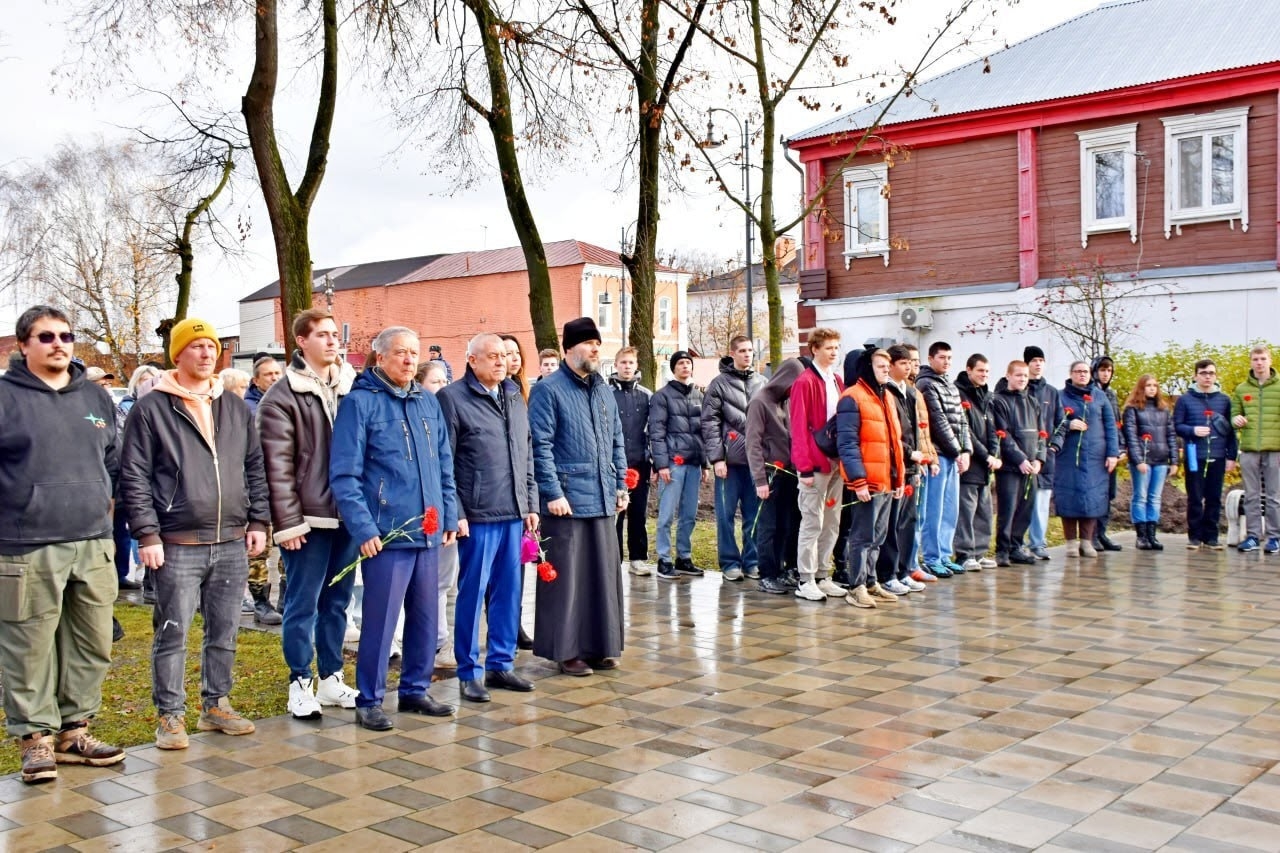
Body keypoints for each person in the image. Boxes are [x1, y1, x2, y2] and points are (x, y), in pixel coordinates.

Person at [120, 317, 269, 749]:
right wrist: (147, 534)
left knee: (224, 630)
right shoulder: (153, 408)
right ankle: (170, 715)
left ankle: (216, 704)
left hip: (231, 540)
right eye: (197, 346)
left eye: (212, 347)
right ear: (178, 353)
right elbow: (134, 475)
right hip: (177, 542)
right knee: (173, 631)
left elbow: (254, 467)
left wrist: (258, 521)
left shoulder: (234, 407)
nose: (206, 353)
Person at [0, 305, 125, 783]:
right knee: (29, 647)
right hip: (26, 544)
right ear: (23, 345)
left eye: (66, 336)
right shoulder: (6, 397)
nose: (58, 344)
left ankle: (76, 731)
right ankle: (35, 738)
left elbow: (113, 462)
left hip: (92, 541)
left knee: (92, 642)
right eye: (46, 336)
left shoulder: (94, 396)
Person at [331, 327, 459, 730]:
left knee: (425, 616)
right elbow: (345, 475)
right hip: (387, 533)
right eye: (400, 353)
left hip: (429, 529)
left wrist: (449, 515)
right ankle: (369, 698)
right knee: (381, 620)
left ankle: (415, 689)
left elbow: (444, 464)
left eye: (413, 353)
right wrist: (364, 528)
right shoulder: (360, 403)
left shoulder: (427, 402)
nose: (408, 360)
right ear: (380, 357)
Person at [257, 308, 361, 719]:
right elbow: (277, 467)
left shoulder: (353, 387)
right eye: (322, 334)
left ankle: (332, 677)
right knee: (303, 604)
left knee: (338, 602)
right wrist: (287, 523)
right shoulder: (282, 396)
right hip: (308, 519)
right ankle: (299, 682)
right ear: (301, 341)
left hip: (348, 515)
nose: (332, 341)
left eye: (335, 334)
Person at [438, 333, 538, 703]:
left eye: (504, 356)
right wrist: (456, 511)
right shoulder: (452, 398)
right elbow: (444, 460)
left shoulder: (513, 394)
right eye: (492, 356)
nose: (500, 361)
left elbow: (526, 453)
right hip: (477, 515)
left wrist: (531, 504)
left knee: (509, 593)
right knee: (472, 593)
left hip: (513, 512)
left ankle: (501, 663)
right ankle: (468, 670)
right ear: (472, 360)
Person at [528, 317, 628, 677]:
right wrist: (552, 492)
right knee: (567, 581)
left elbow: (617, 440)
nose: (595, 350)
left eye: (598, 344)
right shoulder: (548, 390)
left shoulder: (603, 390)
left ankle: (600, 646)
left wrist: (621, 485)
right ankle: (566, 650)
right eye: (588, 344)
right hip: (566, 501)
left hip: (602, 496)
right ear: (569, 348)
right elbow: (539, 446)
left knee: (602, 576)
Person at [835, 348, 905, 608]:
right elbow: (848, 444)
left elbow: (894, 442)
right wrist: (859, 480)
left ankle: (871, 581)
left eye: (888, 366)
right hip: (868, 481)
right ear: (867, 368)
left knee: (878, 536)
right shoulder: (852, 398)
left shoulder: (887, 396)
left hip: (887, 480)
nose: (887, 370)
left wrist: (899, 479)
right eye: (880, 366)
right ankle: (856, 586)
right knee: (862, 537)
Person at [788, 328, 848, 601]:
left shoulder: (837, 380)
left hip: (835, 461)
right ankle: (806, 579)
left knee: (832, 521)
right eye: (828, 348)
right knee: (812, 521)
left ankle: (823, 575)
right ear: (815, 349)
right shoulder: (805, 382)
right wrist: (804, 466)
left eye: (836, 347)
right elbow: (798, 427)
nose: (834, 352)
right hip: (814, 463)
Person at [702, 335, 765, 582]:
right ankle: (729, 562)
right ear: (733, 353)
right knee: (725, 516)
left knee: (754, 516)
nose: (747, 354)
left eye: (750, 350)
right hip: (729, 463)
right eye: (742, 350)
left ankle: (752, 561)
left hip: (756, 463)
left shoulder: (762, 383)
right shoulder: (719, 384)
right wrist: (717, 458)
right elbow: (709, 423)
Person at [877, 344, 933, 593]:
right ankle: (888, 573)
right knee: (892, 523)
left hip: (911, 465)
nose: (909, 367)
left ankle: (904, 570)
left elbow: (916, 430)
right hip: (896, 464)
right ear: (891, 366)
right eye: (903, 363)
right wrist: (909, 452)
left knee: (909, 520)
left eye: (910, 362)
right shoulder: (886, 392)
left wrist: (919, 459)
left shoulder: (909, 392)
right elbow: (892, 433)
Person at [415, 359, 460, 665]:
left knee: (447, 581)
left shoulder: (447, 415)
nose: (443, 387)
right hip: (424, 512)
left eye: (445, 381)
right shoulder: (420, 415)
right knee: (431, 582)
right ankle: (429, 639)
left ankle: (444, 639)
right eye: (436, 381)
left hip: (449, 509)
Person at [650, 350, 710, 580]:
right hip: (673, 464)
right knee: (666, 515)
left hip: (694, 464)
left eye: (688, 363)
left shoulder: (698, 395)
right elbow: (656, 432)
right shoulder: (662, 396)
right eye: (681, 363)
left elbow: (703, 432)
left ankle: (683, 557)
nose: (685, 366)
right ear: (674, 368)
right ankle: (664, 559)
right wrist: (661, 465)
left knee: (689, 515)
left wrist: (705, 463)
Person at [746, 359, 804, 594]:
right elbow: (753, 444)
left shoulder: (786, 401)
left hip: (788, 473)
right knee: (768, 527)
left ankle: (781, 570)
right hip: (769, 474)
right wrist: (760, 480)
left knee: (785, 525)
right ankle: (767, 574)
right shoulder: (759, 402)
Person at [1050, 361, 1119, 557]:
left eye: (1085, 372)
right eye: (1078, 371)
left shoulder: (1100, 396)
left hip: (1096, 457)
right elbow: (1051, 422)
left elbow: (1110, 426)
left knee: (1093, 497)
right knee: (1068, 497)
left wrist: (1112, 453)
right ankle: (1071, 542)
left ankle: (1087, 541)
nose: (1082, 375)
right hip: (1068, 456)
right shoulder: (1060, 396)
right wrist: (1069, 424)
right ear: (1071, 374)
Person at [916, 341, 972, 577]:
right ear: (930, 359)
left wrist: (966, 450)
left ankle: (945, 555)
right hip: (939, 455)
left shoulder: (950, 384)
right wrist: (956, 451)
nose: (946, 362)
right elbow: (938, 422)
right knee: (934, 510)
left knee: (950, 510)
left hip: (954, 454)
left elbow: (961, 420)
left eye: (949, 357)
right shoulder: (926, 384)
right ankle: (932, 556)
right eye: (941, 357)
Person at [1176, 359, 1236, 550]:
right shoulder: (1185, 400)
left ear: (1216, 375)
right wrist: (1193, 430)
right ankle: (1194, 536)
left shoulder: (1224, 400)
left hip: (1218, 455)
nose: (1207, 377)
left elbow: (1231, 431)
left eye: (1211, 373)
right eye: (1203, 373)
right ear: (1195, 376)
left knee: (1214, 497)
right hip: (1194, 455)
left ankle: (1211, 537)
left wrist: (1231, 456)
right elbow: (1177, 425)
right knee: (1194, 497)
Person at [991, 361, 1045, 565]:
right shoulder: (999, 401)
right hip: (1010, 467)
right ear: (1008, 376)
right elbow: (1003, 434)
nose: (1022, 379)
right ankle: (1002, 550)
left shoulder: (1033, 402)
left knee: (1026, 508)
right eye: (1018, 375)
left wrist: (1039, 459)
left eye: (1025, 376)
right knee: (1008, 509)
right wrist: (1020, 459)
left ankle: (1016, 546)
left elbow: (1042, 434)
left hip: (1031, 466)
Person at [609, 347, 654, 576]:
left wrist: (652, 458)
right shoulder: (606, 394)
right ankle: (613, 560)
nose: (627, 366)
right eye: (623, 362)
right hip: (613, 465)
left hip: (639, 463)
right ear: (616, 365)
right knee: (615, 514)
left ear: (637, 366)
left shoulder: (646, 395)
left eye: (631, 363)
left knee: (638, 513)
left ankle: (638, 558)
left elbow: (654, 429)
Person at [1231, 346, 1280, 553]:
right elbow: (1234, 414)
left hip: (1275, 449)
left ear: (1270, 360)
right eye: (1255, 359)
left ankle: (1274, 537)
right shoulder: (1242, 389)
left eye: (1263, 359)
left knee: (1274, 496)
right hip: (1250, 449)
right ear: (1251, 362)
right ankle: (1252, 536)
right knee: (1251, 495)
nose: (1259, 363)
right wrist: (1236, 419)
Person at [954, 353, 1000, 571]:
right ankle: (965, 554)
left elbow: (992, 427)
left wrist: (995, 453)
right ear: (969, 369)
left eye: (987, 371)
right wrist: (985, 455)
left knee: (984, 512)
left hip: (985, 466)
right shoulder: (959, 393)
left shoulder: (986, 396)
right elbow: (966, 431)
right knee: (966, 512)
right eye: (980, 370)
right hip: (970, 464)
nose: (984, 375)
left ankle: (979, 553)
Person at [1123, 374, 1178, 551]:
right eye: (1148, 385)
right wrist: (1138, 460)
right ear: (1141, 388)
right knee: (1140, 496)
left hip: (1161, 459)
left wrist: (1174, 461)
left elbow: (1171, 435)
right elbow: (1131, 436)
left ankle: (1152, 535)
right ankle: (1141, 536)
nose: (1152, 388)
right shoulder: (1132, 409)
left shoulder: (1164, 409)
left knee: (1155, 497)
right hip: (1142, 460)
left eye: (1155, 385)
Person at [1023, 346, 1060, 560]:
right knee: (1021, 502)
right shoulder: (1020, 388)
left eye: (1041, 360)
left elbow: (1060, 423)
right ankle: (1017, 544)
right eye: (1034, 360)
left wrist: (1054, 446)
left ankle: (1038, 543)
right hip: (1023, 456)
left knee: (1041, 503)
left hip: (1046, 457)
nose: (1038, 364)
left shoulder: (1052, 393)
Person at [1090, 356, 1125, 552]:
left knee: (1108, 493)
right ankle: (1092, 534)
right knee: (1096, 493)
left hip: (1111, 451)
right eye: (1102, 370)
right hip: (1095, 450)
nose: (1105, 374)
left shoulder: (1111, 394)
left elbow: (1116, 423)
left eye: (1109, 371)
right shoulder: (1090, 392)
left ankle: (1102, 532)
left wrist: (1121, 447)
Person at [499, 334, 529, 401]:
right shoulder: (494, 391)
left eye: (517, 352)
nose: (515, 358)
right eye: (508, 353)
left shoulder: (522, 386)